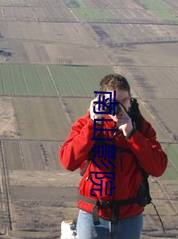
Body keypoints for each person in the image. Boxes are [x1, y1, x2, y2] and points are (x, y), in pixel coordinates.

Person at [59, 74, 168, 239]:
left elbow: (158, 167)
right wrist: (92, 125)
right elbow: (68, 161)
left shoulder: (141, 127)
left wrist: (132, 135)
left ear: (130, 100)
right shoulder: (86, 124)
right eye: (113, 102)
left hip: (129, 217)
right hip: (93, 214)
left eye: (124, 101)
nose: (119, 107)